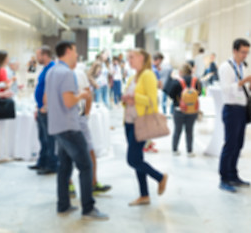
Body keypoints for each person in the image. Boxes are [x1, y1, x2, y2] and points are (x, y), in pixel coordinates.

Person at [45, 41, 108, 220]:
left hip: (57, 126)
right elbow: (68, 101)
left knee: (64, 167)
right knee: (86, 166)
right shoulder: (66, 73)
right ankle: (88, 208)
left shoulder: (52, 71)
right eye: (75, 50)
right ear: (68, 51)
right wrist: (81, 95)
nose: (77, 54)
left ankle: (63, 205)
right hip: (69, 127)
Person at [122, 48, 168, 206]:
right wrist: (125, 99)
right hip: (128, 122)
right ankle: (144, 195)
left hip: (140, 123)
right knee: (138, 159)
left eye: (132, 57)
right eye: (128, 57)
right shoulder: (134, 76)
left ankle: (160, 177)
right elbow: (129, 98)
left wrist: (134, 97)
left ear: (141, 58)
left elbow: (152, 101)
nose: (129, 60)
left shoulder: (148, 75)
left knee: (132, 159)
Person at [218, 39, 251, 193]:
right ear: (234, 51)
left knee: (238, 144)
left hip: (242, 109)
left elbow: (246, 89)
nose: (245, 55)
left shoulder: (244, 67)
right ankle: (224, 178)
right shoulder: (226, 67)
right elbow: (226, 89)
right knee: (230, 145)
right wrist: (243, 82)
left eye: (247, 52)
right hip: (231, 109)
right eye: (243, 52)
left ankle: (233, 175)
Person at [74, 62, 112, 195]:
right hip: (68, 119)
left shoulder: (79, 74)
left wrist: (86, 114)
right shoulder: (59, 73)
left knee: (89, 150)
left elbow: (88, 94)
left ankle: (93, 183)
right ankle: (71, 185)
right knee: (66, 153)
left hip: (78, 117)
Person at [28, 45, 58, 175]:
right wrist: (37, 107)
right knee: (42, 138)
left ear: (45, 55)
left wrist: (46, 107)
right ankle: (42, 162)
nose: (36, 58)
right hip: (41, 109)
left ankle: (52, 165)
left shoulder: (52, 68)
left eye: (38, 55)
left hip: (47, 110)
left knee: (49, 139)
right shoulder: (45, 69)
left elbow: (51, 90)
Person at [168, 63, 201, 157]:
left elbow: (171, 94)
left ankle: (175, 150)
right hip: (192, 110)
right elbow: (199, 93)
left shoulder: (177, 82)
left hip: (179, 110)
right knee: (189, 131)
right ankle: (189, 151)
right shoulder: (196, 81)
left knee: (177, 130)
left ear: (181, 72)